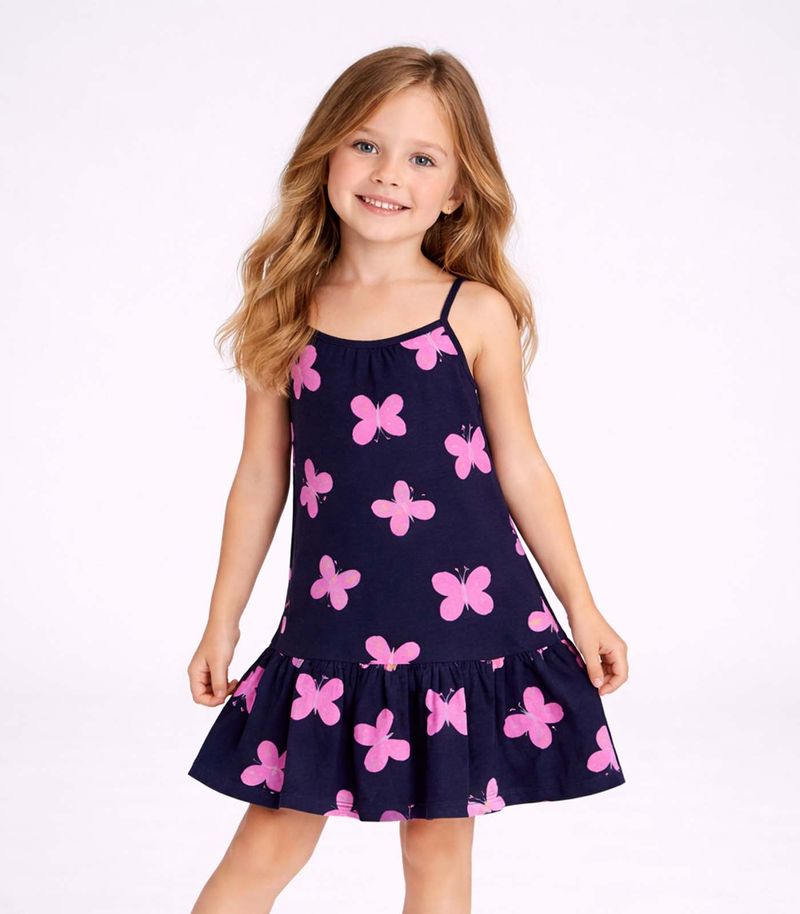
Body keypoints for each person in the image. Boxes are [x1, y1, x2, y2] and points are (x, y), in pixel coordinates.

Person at [186, 44, 629, 914]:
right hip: (330, 631)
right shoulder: (286, 309)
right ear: (325, 155)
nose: (389, 173)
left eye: (423, 158)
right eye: (366, 145)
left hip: (461, 627)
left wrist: (583, 606)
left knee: (437, 850)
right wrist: (221, 622)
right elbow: (260, 479)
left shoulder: (476, 312)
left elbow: (522, 467)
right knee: (269, 839)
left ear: (458, 189)